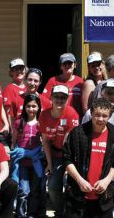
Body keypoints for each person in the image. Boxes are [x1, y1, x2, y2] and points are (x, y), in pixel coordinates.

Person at [63, 98, 114, 218]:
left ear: (109, 116)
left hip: (103, 199)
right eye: (97, 115)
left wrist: (106, 181)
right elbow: (66, 159)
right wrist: (80, 181)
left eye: (104, 116)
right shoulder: (78, 133)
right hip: (77, 196)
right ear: (91, 113)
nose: (100, 119)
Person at [39, 85, 79, 218]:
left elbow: (69, 142)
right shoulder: (44, 115)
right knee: (53, 186)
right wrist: (49, 163)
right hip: (54, 153)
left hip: (71, 153)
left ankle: (71, 212)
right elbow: (45, 141)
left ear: (67, 99)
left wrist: (69, 164)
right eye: (56, 96)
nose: (59, 100)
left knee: (72, 186)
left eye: (63, 97)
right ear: (51, 97)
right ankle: (60, 212)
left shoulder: (72, 113)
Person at [10, 94, 46, 218]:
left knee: (35, 191)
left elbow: (44, 141)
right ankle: (21, 214)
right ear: (24, 107)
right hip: (23, 162)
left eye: (34, 106)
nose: (31, 109)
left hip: (36, 161)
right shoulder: (19, 122)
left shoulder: (41, 123)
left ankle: (32, 214)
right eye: (28, 106)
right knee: (23, 191)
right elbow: (14, 141)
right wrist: (14, 154)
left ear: (39, 107)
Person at [83, 78, 114, 143]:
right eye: (109, 93)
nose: (113, 96)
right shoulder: (90, 112)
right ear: (102, 93)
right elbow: (82, 135)